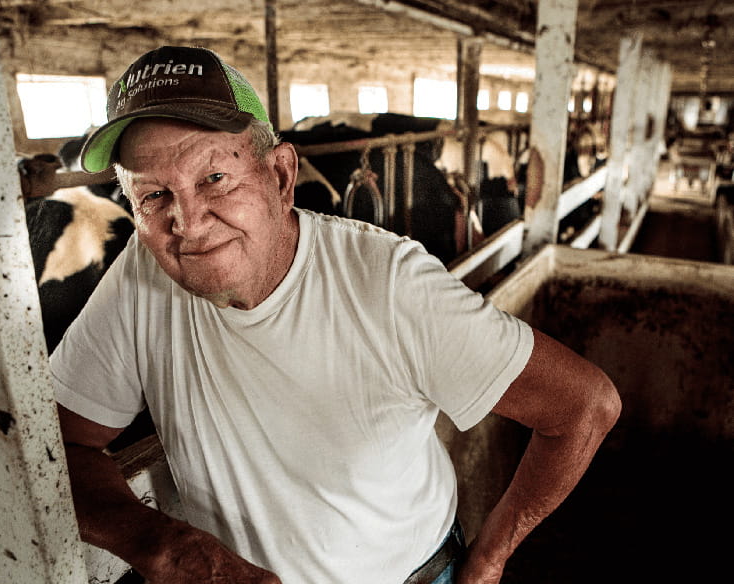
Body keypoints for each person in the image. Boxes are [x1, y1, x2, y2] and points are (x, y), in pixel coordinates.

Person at [53, 45, 621, 584]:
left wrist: (491, 557)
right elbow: (57, 445)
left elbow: (585, 406)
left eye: (215, 179)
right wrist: (160, 545)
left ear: (279, 176)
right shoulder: (142, 273)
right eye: (153, 196)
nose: (189, 221)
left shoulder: (391, 285)